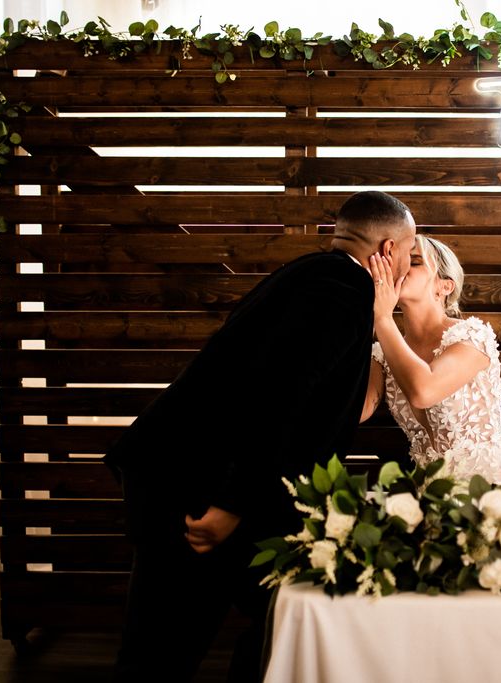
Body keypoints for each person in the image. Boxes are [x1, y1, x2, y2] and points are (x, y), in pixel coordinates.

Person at [103, 191, 417, 682]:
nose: (407, 266)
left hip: (194, 472)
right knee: (159, 657)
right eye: (410, 253)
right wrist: (233, 503)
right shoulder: (345, 293)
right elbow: (276, 398)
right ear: (387, 251)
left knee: (271, 625)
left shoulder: (305, 275)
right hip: (200, 488)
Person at [360, 235, 501, 484]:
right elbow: (357, 411)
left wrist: (383, 319)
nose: (402, 268)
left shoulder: (471, 336)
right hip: (430, 495)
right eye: (399, 261)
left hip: (492, 489)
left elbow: (423, 391)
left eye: (414, 262)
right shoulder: (383, 353)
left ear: (444, 286)